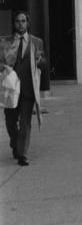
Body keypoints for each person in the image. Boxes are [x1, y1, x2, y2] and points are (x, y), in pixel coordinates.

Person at [0, 10, 46, 166]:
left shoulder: (37, 42)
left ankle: (22, 154)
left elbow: (44, 63)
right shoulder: (5, 42)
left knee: (26, 122)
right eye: (17, 21)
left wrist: (40, 61)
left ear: (28, 23)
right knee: (10, 122)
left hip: (28, 89)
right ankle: (15, 143)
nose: (20, 24)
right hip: (10, 90)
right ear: (14, 24)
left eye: (23, 21)